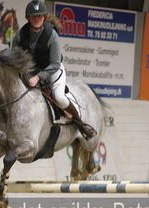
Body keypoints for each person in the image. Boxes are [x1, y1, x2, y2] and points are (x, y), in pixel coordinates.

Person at [13, 0, 97, 140]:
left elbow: (54, 64)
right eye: (34, 16)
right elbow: (15, 57)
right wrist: (26, 74)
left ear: (44, 17)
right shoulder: (21, 35)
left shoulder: (51, 35)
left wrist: (38, 77)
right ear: (28, 18)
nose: (37, 19)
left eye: (40, 16)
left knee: (59, 97)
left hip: (52, 69)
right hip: (31, 71)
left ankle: (81, 124)